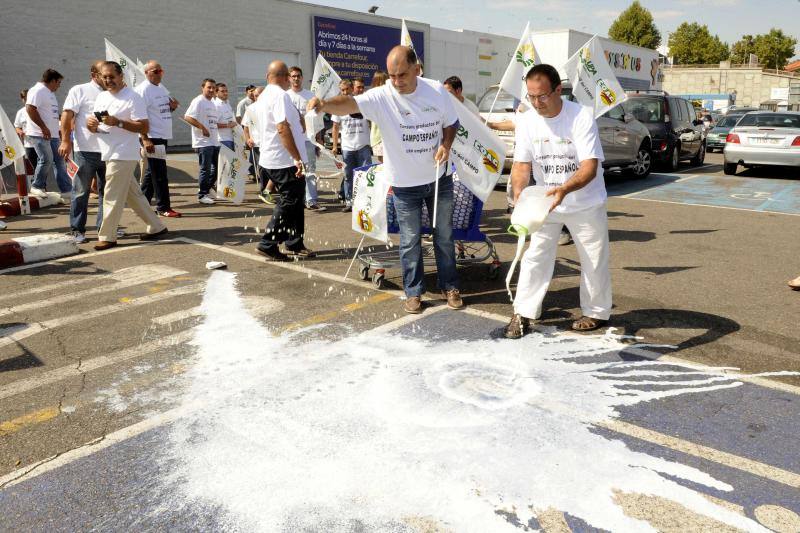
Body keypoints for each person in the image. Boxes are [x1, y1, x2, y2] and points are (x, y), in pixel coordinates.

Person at [308, 46, 462, 314]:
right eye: (392, 75)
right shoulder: (382, 95)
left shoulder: (436, 91)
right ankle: (414, 292)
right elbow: (350, 104)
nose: (397, 81)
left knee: (444, 237)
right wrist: (324, 104)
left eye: (402, 75)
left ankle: (450, 286)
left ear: (417, 69)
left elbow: (452, 123)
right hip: (404, 184)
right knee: (410, 240)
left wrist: (446, 146)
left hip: (439, 180)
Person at [503, 64, 611, 339]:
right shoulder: (527, 121)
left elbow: (589, 167)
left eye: (542, 96)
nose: (536, 103)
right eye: (531, 97)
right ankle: (524, 311)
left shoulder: (581, 117)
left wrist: (564, 189)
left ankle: (595, 312)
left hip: (585, 201)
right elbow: (521, 165)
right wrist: (519, 196)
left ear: (557, 90)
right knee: (535, 256)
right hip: (546, 201)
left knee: (593, 258)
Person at [86, 61, 168, 251]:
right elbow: (99, 125)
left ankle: (107, 235)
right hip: (108, 150)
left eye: (111, 76)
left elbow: (144, 127)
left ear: (121, 76)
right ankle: (156, 226)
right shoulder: (101, 98)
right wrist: (92, 126)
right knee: (134, 195)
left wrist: (119, 123)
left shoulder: (133, 97)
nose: (108, 80)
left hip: (124, 153)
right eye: (104, 77)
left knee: (111, 194)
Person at [254, 61, 313, 262]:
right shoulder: (279, 96)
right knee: (290, 200)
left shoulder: (264, 96)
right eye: (289, 76)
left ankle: (294, 242)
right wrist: (296, 158)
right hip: (284, 160)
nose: (291, 80)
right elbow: (282, 128)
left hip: (271, 158)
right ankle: (268, 243)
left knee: (295, 202)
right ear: (284, 77)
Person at [59, 60, 107, 244]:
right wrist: (65, 140)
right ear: (95, 75)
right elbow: (67, 115)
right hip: (86, 151)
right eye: (105, 75)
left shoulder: (113, 93)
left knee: (106, 193)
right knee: (81, 192)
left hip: (109, 152)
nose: (109, 78)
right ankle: (77, 230)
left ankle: (105, 228)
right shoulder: (79, 90)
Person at [135, 60, 181, 218]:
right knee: (159, 173)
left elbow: (161, 109)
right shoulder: (142, 90)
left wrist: (172, 107)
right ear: (146, 73)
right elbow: (139, 116)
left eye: (161, 71)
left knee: (151, 172)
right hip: (152, 136)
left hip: (163, 135)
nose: (159, 74)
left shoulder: (161, 88)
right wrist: (145, 138)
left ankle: (141, 203)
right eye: (155, 71)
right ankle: (163, 207)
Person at [25, 69, 72, 199]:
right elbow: (30, 109)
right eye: (58, 82)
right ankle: (37, 186)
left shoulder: (49, 93)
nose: (59, 86)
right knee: (46, 159)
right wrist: (43, 127)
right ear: (52, 81)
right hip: (39, 133)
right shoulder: (38, 90)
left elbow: (50, 114)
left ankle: (66, 190)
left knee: (59, 161)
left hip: (53, 135)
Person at [287, 66, 325, 211]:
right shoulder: (286, 96)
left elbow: (317, 119)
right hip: (291, 140)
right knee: (293, 171)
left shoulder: (310, 96)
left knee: (310, 170)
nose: (296, 78)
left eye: (298, 76)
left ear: (302, 78)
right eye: (293, 76)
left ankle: (311, 200)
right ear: (289, 78)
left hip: (308, 139)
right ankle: (295, 200)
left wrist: (318, 139)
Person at [331, 76, 372, 212]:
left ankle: (365, 201)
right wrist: (335, 146)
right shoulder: (338, 105)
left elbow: (372, 122)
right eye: (341, 90)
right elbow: (335, 127)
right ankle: (349, 202)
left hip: (363, 145)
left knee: (365, 175)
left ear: (351, 88)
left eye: (346, 89)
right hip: (347, 147)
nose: (344, 92)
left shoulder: (363, 102)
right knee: (349, 176)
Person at [184, 79, 220, 205]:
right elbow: (188, 117)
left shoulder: (212, 103)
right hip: (203, 142)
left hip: (215, 141)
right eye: (209, 87)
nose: (211, 90)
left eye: (213, 88)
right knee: (206, 169)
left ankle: (207, 188)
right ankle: (202, 195)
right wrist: (202, 128)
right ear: (202, 88)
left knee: (217, 168)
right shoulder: (198, 101)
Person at [242, 86, 275, 204]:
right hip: (257, 143)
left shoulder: (271, 107)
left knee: (273, 167)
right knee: (262, 168)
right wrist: (248, 139)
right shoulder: (250, 108)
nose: (257, 97)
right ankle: (264, 191)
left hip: (270, 142)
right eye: (255, 96)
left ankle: (270, 189)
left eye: (259, 95)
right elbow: (246, 127)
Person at [13, 90, 38, 169]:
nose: (27, 100)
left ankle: (40, 181)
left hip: (40, 144)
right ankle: (38, 181)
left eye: (28, 98)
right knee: (33, 167)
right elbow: (17, 126)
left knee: (43, 167)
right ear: (22, 99)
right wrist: (20, 131)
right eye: (24, 98)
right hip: (28, 145)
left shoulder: (39, 109)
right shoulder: (20, 112)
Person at [369, 71, 388, 163]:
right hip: (378, 137)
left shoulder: (390, 95)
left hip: (388, 136)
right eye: (380, 81)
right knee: (383, 162)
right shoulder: (372, 96)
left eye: (384, 81)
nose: (383, 84)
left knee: (388, 162)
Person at [213, 83, 237, 151]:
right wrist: (227, 125)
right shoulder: (216, 106)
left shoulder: (227, 103)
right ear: (216, 93)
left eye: (226, 91)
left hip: (232, 139)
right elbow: (212, 124)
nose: (225, 93)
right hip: (222, 140)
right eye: (222, 91)